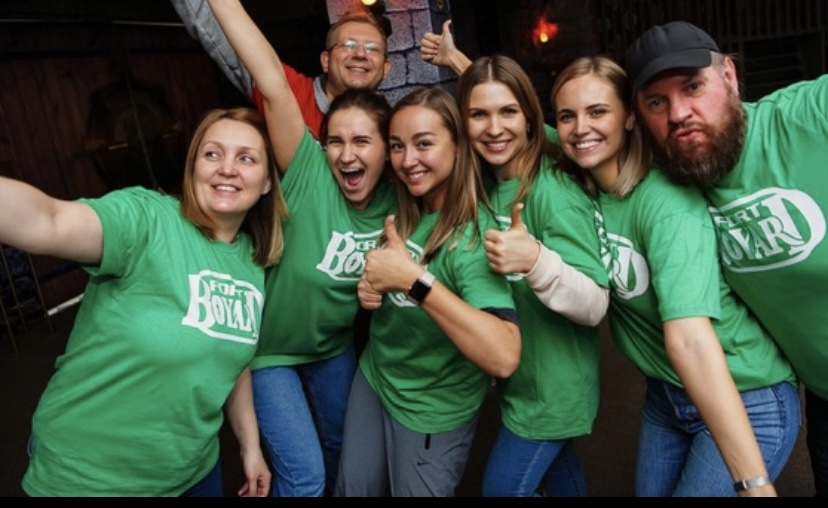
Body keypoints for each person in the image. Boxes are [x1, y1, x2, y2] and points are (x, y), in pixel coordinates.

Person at [2, 106, 289, 496]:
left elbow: (230, 356)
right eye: (212, 153)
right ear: (193, 166)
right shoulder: (147, 220)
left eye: (246, 158)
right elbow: (49, 221)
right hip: (89, 479)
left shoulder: (253, 262)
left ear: (268, 182)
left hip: (194, 474)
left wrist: (250, 447)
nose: (227, 168)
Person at [551, 54, 801, 496]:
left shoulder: (666, 204)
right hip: (666, 397)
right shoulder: (584, 189)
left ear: (630, 117)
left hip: (745, 394)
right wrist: (461, 64)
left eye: (597, 111)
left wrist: (753, 483)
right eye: (566, 116)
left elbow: (690, 339)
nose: (580, 128)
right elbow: (519, 132)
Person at [623, 20, 828, 497]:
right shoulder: (671, 177)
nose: (679, 113)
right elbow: (548, 138)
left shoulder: (806, 116)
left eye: (693, 87)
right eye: (656, 102)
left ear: (730, 77)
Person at [206, 0, 396, 496]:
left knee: (342, 447)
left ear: (387, 149)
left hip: (333, 348)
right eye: (335, 141)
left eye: (362, 142)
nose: (347, 155)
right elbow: (270, 78)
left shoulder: (398, 199)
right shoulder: (311, 171)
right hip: (269, 353)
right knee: (305, 476)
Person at [334, 87, 522, 497]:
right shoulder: (404, 208)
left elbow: (504, 355)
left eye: (424, 144)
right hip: (376, 377)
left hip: (431, 410)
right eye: (397, 146)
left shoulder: (472, 238)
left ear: (458, 146)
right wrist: (371, 288)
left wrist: (413, 282)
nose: (407, 161)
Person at [454, 54, 610, 497]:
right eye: (478, 115)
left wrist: (535, 260)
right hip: (521, 382)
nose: (494, 128)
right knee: (563, 483)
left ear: (529, 118)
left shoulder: (553, 190)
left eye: (508, 111)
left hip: (553, 389)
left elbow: (596, 304)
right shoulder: (485, 187)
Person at [171, 0, 391, 140]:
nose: (360, 54)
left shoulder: (392, 126)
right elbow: (221, 33)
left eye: (372, 48)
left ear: (386, 68)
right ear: (325, 60)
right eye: (348, 45)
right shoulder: (288, 93)